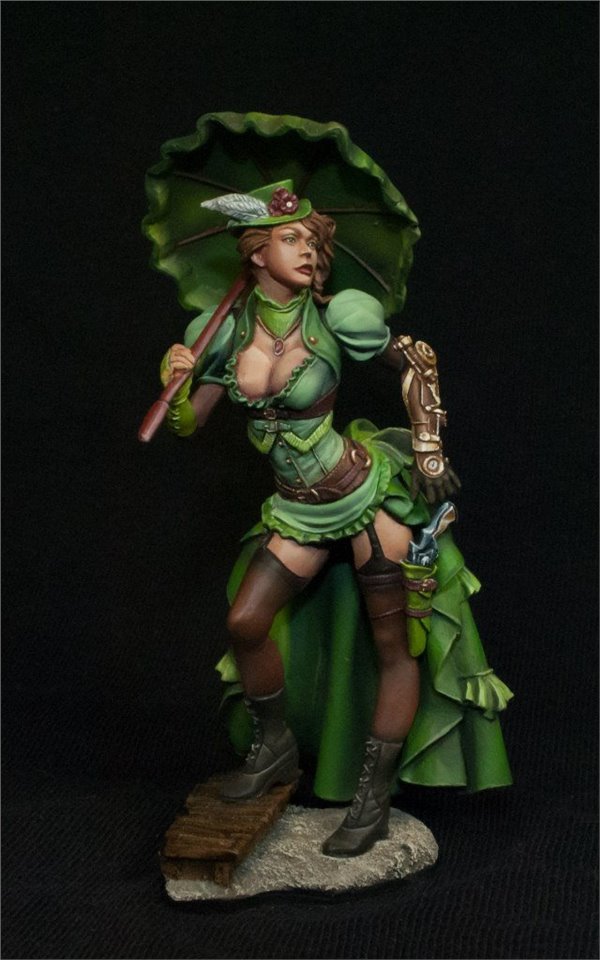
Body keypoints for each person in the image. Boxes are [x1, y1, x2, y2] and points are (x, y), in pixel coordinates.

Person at [159, 181, 512, 857]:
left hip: (363, 498)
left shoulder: (338, 316)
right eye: (291, 239)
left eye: (314, 242)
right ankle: (276, 748)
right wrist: (174, 380)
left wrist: (429, 448)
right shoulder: (224, 331)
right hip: (297, 510)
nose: (310, 253)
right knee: (246, 623)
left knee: (392, 648)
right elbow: (189, 423)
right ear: (255, 252)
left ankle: (373, 797)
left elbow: (416, 358)